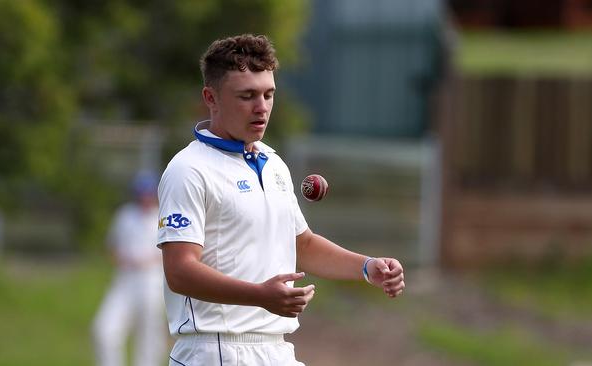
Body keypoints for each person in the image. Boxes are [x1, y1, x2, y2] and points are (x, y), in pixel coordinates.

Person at [157, 34, 405, 366]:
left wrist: (365, 267)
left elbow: (301, 245)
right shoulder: (189, 170)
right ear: (210, 97)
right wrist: (259, 296)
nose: (261, 107)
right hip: (215, 350)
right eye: (246, 96)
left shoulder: (273, 164)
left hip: (276, 350)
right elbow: (179, 271)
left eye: (268, 94)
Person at [93, 172, 168, 366]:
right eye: (140, 194)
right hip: (124, 281)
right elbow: (112, 246)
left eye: (148, 194)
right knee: (104, 330)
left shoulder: (162, 217)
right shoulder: (125, 215)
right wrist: (122, 259)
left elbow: (171, 254)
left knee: (149, 338)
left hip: (152, 282)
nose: (144, 198)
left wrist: (146, 261)